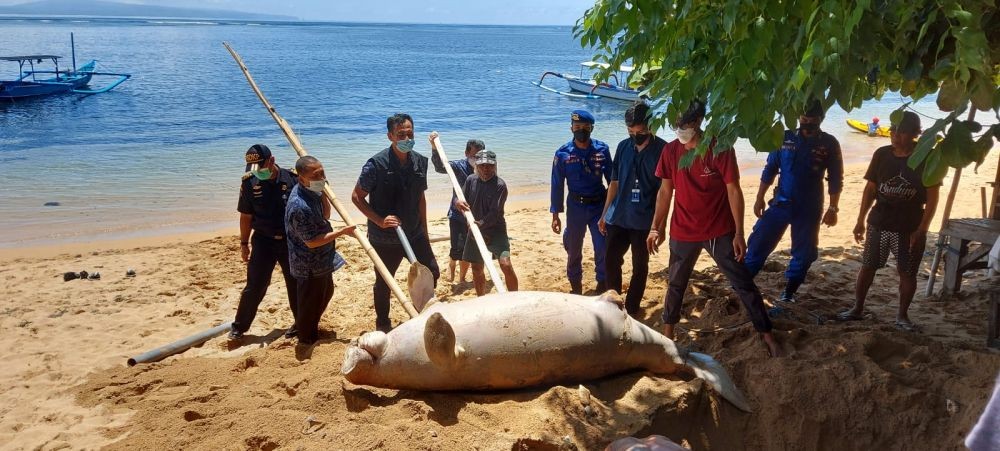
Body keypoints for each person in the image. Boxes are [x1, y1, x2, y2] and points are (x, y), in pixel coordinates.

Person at [646, 100, 782, 357]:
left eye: (683, 125)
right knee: (675, 284)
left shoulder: (719, 148)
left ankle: (767, 334)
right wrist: (656, 227)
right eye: (675, 125)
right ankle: (668, 336)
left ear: (698, 122)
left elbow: (734, 189)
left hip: (719, 230)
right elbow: (665, 191)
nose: (679, 130)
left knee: (742, 283)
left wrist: (739, 233)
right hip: (683, 230)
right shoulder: (671, 151)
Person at [835, 111, 940, 331]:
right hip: (879, 221)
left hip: (909, 226)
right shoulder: (881, 154)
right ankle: (857, 308)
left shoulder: (927, 158)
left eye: (902, 132)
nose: (895, 136)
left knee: (907, 272)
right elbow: (871, 189)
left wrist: (922, 229)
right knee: (868, 266)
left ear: (915, 134)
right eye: (893, 131)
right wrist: (860, 219)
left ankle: (902, 316)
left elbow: (932, 198)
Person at [744, 101, 844, 303]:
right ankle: (742, 286)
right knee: (757, 244)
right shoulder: (784, 138)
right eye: (804, 119)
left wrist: (833, 207)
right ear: (798, 118)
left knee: (805, 254)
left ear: (821, 120)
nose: (807, 123)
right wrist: (759, 197)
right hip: (780, 203)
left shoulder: (830, 143)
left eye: (812, 120)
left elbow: (835, 178)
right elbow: (770, 168)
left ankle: (789, 293)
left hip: (809, 207)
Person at [352, 113, 440, 332]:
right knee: (384, 282)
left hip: (414, 231)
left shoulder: (420, 161)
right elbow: (356, 197)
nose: (407, 137)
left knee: (432, 271)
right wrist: (379, 220)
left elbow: (421, 197)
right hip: (385, 237)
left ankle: (425, 312)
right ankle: (383, 324)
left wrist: (425, 231)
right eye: (401, 134)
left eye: (410, 133)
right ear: (390, 136)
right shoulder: (376, 165)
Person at [598, 101, 666, 316]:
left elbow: (665, 193)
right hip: (617, 215)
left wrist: (659, 226)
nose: (636, 135)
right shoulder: (623, 147)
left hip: (644, 220)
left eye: (641, 131)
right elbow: (614, 183)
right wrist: (604, 214)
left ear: (651, 126)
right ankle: (613, 304)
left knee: (640, 265)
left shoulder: (663, 150)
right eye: (631, 131)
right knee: (610, 260)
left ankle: (633, 307)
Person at [230, 144, 299, 341]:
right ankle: (239, 327)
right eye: (253, 169)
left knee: (295, 284)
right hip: (263, 241)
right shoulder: (249, 183)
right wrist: (244, 244)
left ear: (272, 161)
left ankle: (300, 323)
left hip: (290, 241)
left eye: (261, 167)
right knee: (255, 285)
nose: (257, 172)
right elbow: (246, 216)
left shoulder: (293, 179)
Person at [284, 156, 355, 345]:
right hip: (307, 263)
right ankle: (306, 338)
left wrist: (323, 191)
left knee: (326, 292)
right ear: (302, 179)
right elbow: (312, 242)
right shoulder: (298, 206)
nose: (322, 177)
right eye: (317, 175)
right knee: (310, 302)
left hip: (322, 258)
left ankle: (305, 326)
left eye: (322, 172)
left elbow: (325, 214)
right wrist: (342, 232)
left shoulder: (313, 189)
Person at [550, 109, 612, 294]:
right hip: (575, 207)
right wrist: (555, 215)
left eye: (585, 127)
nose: (581, 131)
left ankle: (602, 282)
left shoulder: (602, 150)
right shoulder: (563, 154)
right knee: (574, 248)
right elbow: (557, 185)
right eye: (577, 127)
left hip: (599, 206)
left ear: (592, 128)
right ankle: (575, 285)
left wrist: (611, 210)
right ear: (571, 128)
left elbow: (613, 182)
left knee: (602, 246)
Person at [455, 150, 519, 296]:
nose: (486, 169)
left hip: (495, 230)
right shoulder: (471, 180)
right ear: (476, 165)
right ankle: (481, 299)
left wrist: (480, 224)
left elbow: (495, 213)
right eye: (482, 165)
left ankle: (515, 297)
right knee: (477, 269)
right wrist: (457, 202)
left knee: (506, 265)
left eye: (489, 166)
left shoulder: (500, 185)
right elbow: (460, 198)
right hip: (475, 230)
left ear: (495, 166)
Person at [429, 132, 483, 283]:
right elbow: (440, 167)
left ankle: (462, 280)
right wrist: (434, 147)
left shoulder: (484, 169)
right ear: (466, 153)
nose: (476, 159)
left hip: (476, 215)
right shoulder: (458, 166)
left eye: (479, 156)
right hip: (457, 215)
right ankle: (451, 264)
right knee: (457, 249)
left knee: (469, 250)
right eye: (473, 155)